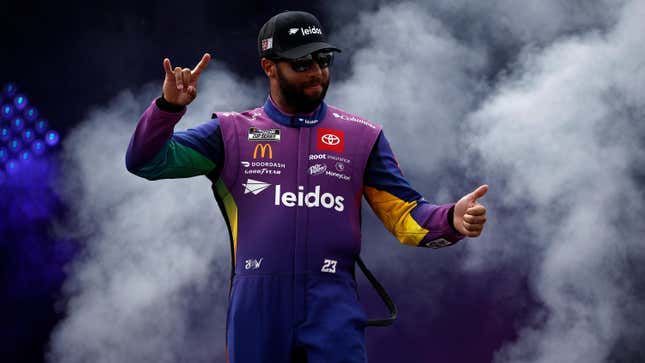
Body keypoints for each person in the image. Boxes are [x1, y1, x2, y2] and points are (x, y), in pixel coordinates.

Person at [126, 10, 488, 363]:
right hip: (258, 304)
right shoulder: (230, 132)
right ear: (269, 66)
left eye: (323, 59)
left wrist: (451, 220)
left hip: (332, 304)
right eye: (302, 63)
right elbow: (146, 161)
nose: (317, 72)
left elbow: (406, 216)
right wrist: (167, 109)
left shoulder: (362, 137)